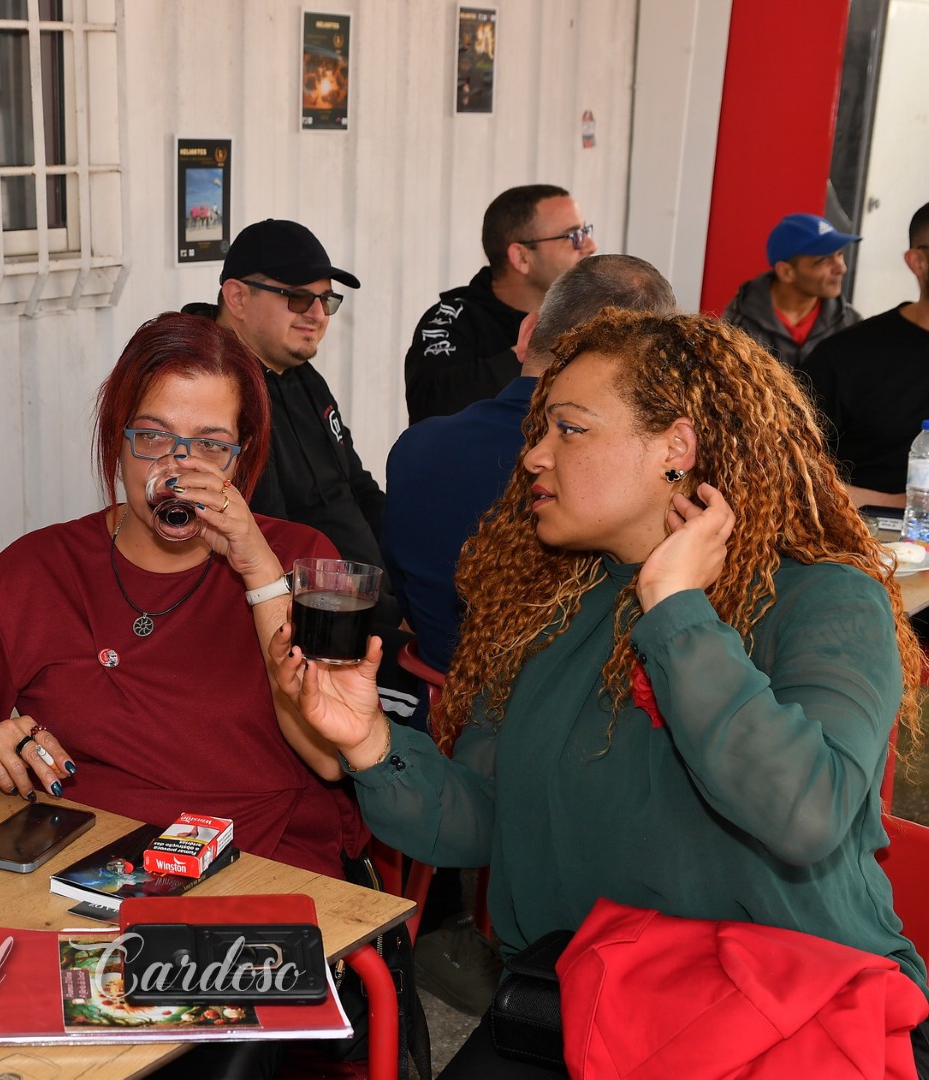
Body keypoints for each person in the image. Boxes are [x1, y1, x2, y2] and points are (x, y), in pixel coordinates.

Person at [280, 310, 929, 1074]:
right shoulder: (545, 607)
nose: (534, 455)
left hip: (788, 1021)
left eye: (570, 429)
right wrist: (369, 743)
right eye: (540, 431)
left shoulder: (825, 599)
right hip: (583, 1006)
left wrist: (677, 609)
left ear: (675, 449)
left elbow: (805, 814)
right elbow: (482, 822)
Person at [0, 311, 392, 1078]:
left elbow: (328, 757)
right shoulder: (42, 567)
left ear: (245, 454)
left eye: (210, 445)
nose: (179, 469)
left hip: (255, 890)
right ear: (117, 441)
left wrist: (256, 568)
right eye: (153, 438)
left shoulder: (301, 564)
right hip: (74, 893)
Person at [384, 254, 677, 681]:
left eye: (571, 431)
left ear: (527, 332)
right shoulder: (636, 479)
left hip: (431, 693)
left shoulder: (415, 446)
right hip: (575, 707)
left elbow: (408, 601)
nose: (539, 458)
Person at [182, 219, 418, 718]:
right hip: (301, 629)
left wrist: (417, 585)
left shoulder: (301, 377)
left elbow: (357, 490)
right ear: (237, 297)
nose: (317, 314)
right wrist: (393, 615)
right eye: (297, 297)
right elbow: (271, 541)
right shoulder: (211, 389)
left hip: (367, 604)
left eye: (326, 300)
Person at [404, 184, 597, 423]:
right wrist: (537, 349)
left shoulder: (594, 316)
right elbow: (433, 405)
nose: (591, 246)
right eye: (573, 236)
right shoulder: (453, 319)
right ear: (521, 257)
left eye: (586, 231)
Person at [797, 200, 929, 509]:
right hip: (870, 532)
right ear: (918, 262)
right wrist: (903, 504)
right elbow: (786, 469)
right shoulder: (845, 356)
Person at [723, 212, 862, 367]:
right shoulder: (737, 326)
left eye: (840, 254)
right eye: (824, 261)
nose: (841, 268)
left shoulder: (850, 323)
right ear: (786, 272)